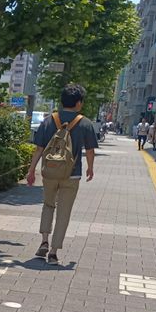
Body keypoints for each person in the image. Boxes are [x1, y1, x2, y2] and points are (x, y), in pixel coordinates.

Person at [26, 83, 98, 265]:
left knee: (48, 205)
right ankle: (53, 252)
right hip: (72, 174)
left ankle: (43, 241)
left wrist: (31, 170)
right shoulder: (85, 123)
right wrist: (90, 167)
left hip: (49, 172)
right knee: (64, 213)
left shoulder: (50, 120)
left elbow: (38, 148)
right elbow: (90, 150)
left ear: (62, 100)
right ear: (79, 103)